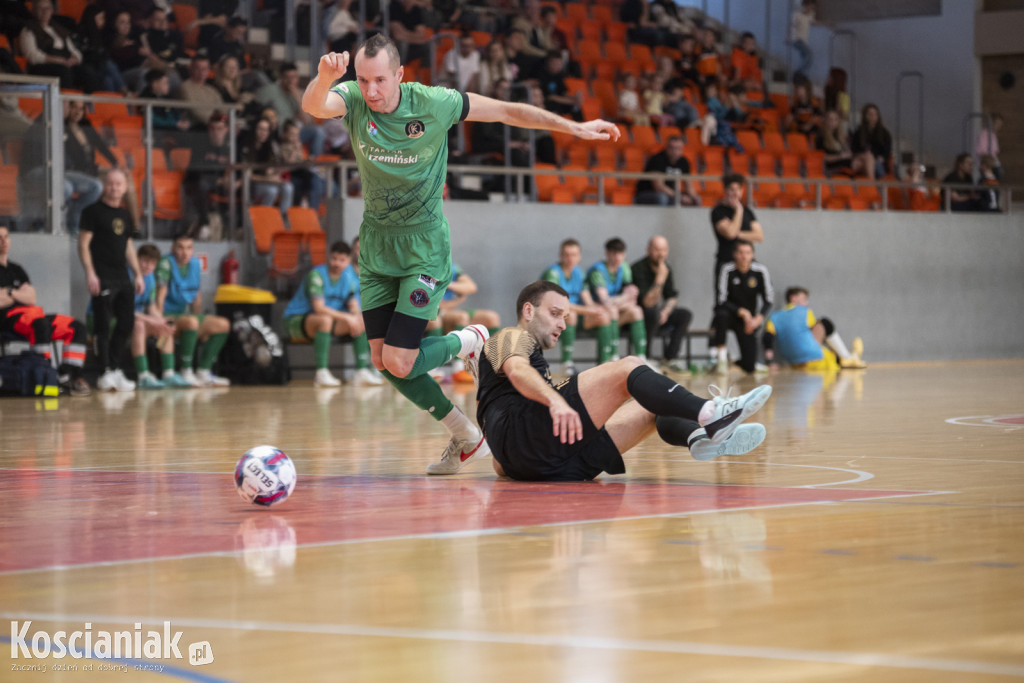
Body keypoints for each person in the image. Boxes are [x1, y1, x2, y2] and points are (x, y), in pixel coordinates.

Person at [301, 34, 619, 475]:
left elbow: (508, 111)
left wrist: (574, 128)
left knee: (400, 359)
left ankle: (472, 340)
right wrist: (323, 79)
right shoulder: (353, 97)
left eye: (379, 80)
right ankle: (466, 436)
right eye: (363, 80)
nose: (371, 90)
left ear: (399, 76)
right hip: (375, 245)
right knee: (383, 361)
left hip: (424, 247)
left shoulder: (434, 102)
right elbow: (316, 107)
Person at [476, 280, 771, 481]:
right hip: (531, 441)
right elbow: (517, 370)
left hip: (548, 465)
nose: (563, 325)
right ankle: (711, 413)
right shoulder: (510, 336)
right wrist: (554, 400)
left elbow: (500, 458)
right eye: (555, 314)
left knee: (654, 401)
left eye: (565, 316)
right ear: (528, 310)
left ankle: (700, 437)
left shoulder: (503, 395)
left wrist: (508, 463)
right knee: (629, 367)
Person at [0, 224, 91, 396]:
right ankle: (44, 373)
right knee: (40, 324)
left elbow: (32, 297)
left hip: (33, 315)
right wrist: (20, 293)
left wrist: (9, 292)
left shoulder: (17, 269)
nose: (3, 242)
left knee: (76, 327)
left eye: (6, 237)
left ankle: (67, 374)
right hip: (9, 320)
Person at [77, 168, 145, 392]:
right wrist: (90, 272)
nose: (114, 188)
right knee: (103, 325)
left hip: (122, 277)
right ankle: (104, 371)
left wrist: (137, 273)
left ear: (125, 188)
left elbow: (127, 246)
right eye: (110, 183)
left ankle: (115, 368)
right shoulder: (92, 212)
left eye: (119, 184)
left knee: (126, 323)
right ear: (104, 185)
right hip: (102, 276)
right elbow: (83, 244)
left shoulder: (125, 215)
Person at [283, 240, 382, 387]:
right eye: (334, 258)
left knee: (361, 320)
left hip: (328, 320)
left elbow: (353, 306)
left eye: (342, 260)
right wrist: (348, 317)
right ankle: (321, 373)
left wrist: (356, 317)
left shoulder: (348, 279)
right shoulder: (316, 275)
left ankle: (362, 371)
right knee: (325, 320)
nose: (337, 263)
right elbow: (319, 308)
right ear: (329, 257)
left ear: (348, 261)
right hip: (296, 320)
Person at [154, 234, 232, 387]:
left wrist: (200, 326)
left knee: (223, 324)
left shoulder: (195, 264)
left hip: (184, 317)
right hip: (165, 315)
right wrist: (159, 321)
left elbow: (196, 297)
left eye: (189, 248)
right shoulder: (165, 263)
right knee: (191, 321)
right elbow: (160, 296)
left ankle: (204, 371)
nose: (185, 252)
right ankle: (186, 371)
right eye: (180, 247)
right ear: (173, 248)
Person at [542, 238, 614, 374]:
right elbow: (558, 304)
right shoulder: (553, 273)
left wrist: (595, 308)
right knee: (570, 315)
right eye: (566, 254)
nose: (570, 258)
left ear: (579, 256)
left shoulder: (579, 273)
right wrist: (587, 310)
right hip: (553, 318)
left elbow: (586, 297)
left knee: (603, 316)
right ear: (560, 255)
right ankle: (566, 363)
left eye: (574, 254)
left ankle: (604, 364)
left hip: (576, 314)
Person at [129, 243, 193, 389]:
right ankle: (143, 376)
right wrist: (151, 320)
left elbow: (151, 308)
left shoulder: (150, 279)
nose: (147, 266)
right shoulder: (128, 275)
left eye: (152, 263)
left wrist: (161, 320)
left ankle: (168, 373)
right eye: (144, 261)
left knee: (165, 325)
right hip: (117, 319)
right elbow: (125, 311)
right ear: (136, 259)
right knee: (139, 325)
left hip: (137, 318)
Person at [425, 262, 502, 383]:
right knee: (461, 317)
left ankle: (487, 364)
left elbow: (470, 287)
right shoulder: (424, 266)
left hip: (447, 311)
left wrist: (448, 285)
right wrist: (455, 301)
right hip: (432, 311)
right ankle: (458, 368)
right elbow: (436, 304)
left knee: (491, 318)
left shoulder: (452, 268)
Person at [764, 286, 865, 371]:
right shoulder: (805, 312)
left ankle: (850, 357)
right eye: (804, 299)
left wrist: (769, 363)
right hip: (815, 358)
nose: (806, 302)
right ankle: (847, 358)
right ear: (793, 298)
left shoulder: (774, 317)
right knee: (825, 324)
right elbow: (818, 331)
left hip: (793, 363)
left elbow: (767, 338)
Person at [630, 236, 692, 373]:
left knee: (684, 315)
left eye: (664, 250)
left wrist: (666, 311)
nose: (661, 254)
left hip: (659, 314)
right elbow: (647, 302)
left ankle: (670, 359)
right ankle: (646, 358)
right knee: (652, 312)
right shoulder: (637, 268)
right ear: (648, 250)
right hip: (639, 316)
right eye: (657, 250)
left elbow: (672, 296)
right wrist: (659, 279)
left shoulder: (666, 268)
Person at [586, 238, 651, 367]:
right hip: (596, 316)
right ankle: (612, 356)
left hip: (614, 313)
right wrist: (623, 299)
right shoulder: (598, 271)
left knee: (636, 311)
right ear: (607, 253)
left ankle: (641, 358)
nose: (617, 257)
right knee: (612, 310)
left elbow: (632, 299)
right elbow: (604, 301)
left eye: (620, 253)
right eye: (614, 253)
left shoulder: (624, 267)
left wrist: (620, 301)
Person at [712, 240, 773, 374]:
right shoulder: (727, 269)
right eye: (740, 253)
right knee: (721, 315)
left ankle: (733, 362)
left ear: (753, 254)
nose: (744, 256)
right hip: (730, 314)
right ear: (734, 254)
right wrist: (740, 311)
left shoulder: (760, 271)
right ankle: (721, 359)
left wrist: (758, 318)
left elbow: (768, 300)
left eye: (748, 253)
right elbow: (721, 300)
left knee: (749, 366)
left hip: (748, 321)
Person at [711, 173, 764, 298]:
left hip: (746, 263)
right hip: (726, 260)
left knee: (749, 296)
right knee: (724, 299)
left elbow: (759, 236)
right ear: (725, 191)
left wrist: (738, 234)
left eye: (738, 189)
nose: (735, 193)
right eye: (731, 189)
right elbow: (729, 233)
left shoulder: (748, 212)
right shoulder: (718, 211)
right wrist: (738, 211)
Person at [258, 62, 326, 159]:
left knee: (318, 131)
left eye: (294, 77)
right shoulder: (270, 90)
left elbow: (308, 121)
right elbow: (255, 103)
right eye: (287, 77)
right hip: (276, 132)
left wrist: (298, 99)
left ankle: (313, 164)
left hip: (293, 133)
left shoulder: (298, 94)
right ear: (281, 78)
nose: (291, 81)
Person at [184, 111, 232, 239]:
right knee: (202, 183)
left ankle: (237, 227)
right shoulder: (200, 144)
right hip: (199, 183)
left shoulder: (231, 147)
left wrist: (235, 180)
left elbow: (238, 168)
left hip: (223, 184)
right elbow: (195, 171)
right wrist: (218, 180)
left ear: (226, 130)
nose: (216, 132)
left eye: (220, 129)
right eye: (213, 128)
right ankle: (204, 224)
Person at [634, 135, 697, 206]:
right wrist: (679, 197)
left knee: (697, 199)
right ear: (666, 148)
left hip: (671, 193)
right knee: (662, 198)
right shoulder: (657, 159)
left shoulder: (683, 162)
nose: (675, 151)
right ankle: (660, 217)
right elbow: (659, 186)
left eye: (678, 148)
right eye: (672, 148)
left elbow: (689, 184)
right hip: (647, 193)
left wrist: (693, 197)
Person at [850, 103, 892, 180]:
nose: (873, 117)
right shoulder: (858, 133)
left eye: (875, 114)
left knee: (866, 160)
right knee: (859, 162)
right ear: (865, 116)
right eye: (870, 114)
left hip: (878, 163)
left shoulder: (884, 133)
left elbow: (886, 153)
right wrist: (865, 156)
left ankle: (871, 184)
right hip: (862, 159)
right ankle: (871, 185)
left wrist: (877, 158)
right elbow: (854, 150)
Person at [975, 113, 1003, 181]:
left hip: (994, 162)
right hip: (988, 162)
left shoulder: (993, 135)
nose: (999, 127)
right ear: (992, 123)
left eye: (1000, 125)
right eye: (997, 124)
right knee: (990, 179)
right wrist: (986, 161)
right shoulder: (984, 134)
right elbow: (981, 150)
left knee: (997, 176)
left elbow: (995, 151)